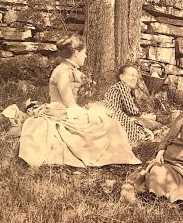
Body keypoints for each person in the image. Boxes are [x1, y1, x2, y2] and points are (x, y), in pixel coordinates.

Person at [19, 34, 140, 168]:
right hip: (62, 113)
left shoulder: (68, 70)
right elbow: (70, 105)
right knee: (107, 124)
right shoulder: (63, 72)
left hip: (67, 111)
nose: (86, 56)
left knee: (108, 121)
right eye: (84, 53)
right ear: (76, 53)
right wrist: (89, 114)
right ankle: (107, 155)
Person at [100, 65, 155, 146]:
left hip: (111, 112)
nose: (134, 78)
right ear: (121, 77)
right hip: (112, 113)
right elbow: (130, 109)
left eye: (136, 76)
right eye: (132, 75)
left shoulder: (122, 88)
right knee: (137, 134)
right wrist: (143, 116)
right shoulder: (121, 86)